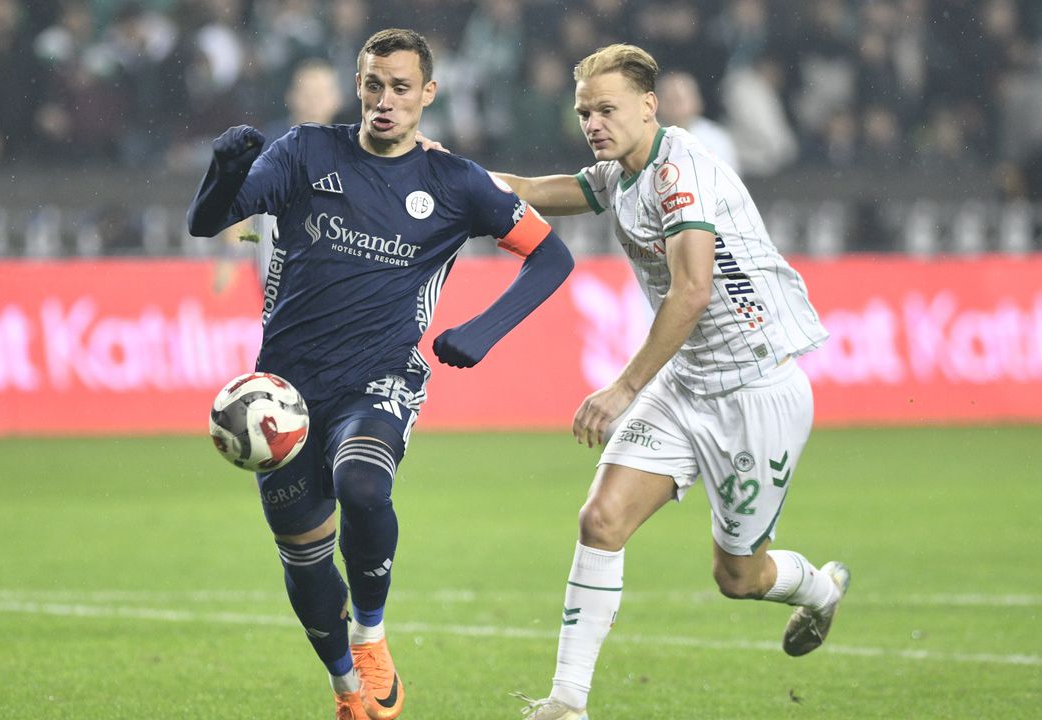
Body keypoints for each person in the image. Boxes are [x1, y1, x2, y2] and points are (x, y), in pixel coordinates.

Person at [186, 28, 574, 720]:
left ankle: (370, 633)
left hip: (380, 377)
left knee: (362, 484)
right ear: (357, 86)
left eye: (401, 88)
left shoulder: (455, 181)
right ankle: (345, 688)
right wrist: (224, 170)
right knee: (305, 557)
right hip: (286, 393)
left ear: (429, 93)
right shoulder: (305, 151)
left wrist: (484, 331)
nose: (385, 100)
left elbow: (551, 256)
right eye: (373, 85)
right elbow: (207, 222)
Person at [493, 44, 849, 719]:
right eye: (584, 112)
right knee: (600, 520)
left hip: (755, 392)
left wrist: (623, 388)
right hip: (686, 384)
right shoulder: (620, 173)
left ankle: (820, 590)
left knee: (737, 577)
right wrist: (442, 175)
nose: (593, 123)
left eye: (607, 110)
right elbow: (539, 192)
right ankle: (568, 701)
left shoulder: (679, 170)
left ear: (649, 106)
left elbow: (691, 291)